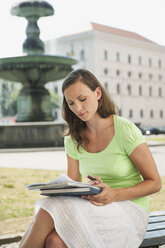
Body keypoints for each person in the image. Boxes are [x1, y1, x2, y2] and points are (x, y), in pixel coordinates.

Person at [19, 69, 162, 248]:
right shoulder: (73, 137)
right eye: (71, 103)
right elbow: (72, 185)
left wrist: (114, 194)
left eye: (82, 99)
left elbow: (155, 183)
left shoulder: (124, 130)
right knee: (53, 241)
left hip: (129, 208)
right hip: (95, 206)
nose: (77, 108)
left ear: (98, 93)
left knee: (48, 209)